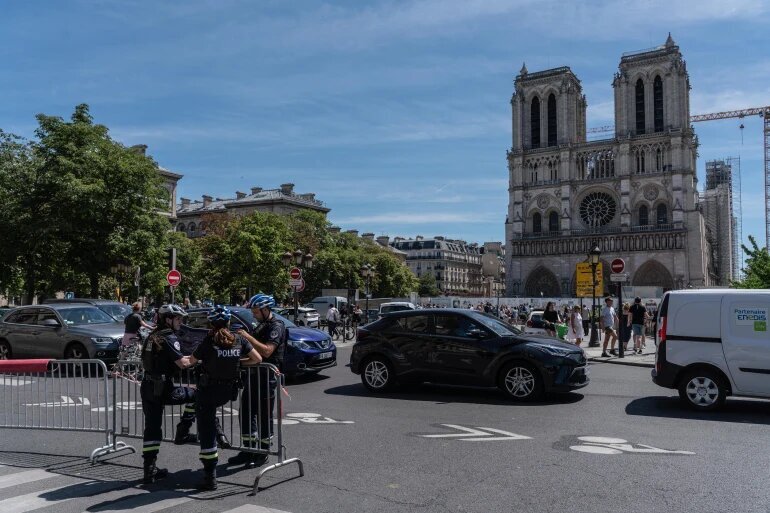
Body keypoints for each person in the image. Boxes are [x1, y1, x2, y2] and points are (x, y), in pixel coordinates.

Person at [187, 305, 262, 490]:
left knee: (206, 433)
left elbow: (191, 361)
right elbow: (258, 359)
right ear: (229, 322)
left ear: (211, 323)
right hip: (228, 392)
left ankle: (210, 477)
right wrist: (238, 361)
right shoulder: (239, 339)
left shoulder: (209, 341)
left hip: (208, 392)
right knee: (210, 423)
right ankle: (218, 431)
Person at [139, 304, 196, 484]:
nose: (180, 322)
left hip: (148, 386)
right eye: (178, 318)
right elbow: (183, 363)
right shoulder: (169, 337)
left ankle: (149, 470)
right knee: (196, 394)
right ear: (168, 319)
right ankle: (183, 431)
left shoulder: (151, 336)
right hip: (163, 388)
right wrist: (200, 357)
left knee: (152, 428)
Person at [228, 293, 285, 469]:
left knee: (263, 416)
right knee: (245, 412)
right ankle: (248, 448)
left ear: (266, 309)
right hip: (252, 375)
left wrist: (247, 337)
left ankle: (263, 451)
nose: (253, 314)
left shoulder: (277, 325)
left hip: (266, 378)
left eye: (256, 311)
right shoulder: (261, 324)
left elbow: (267, 351)